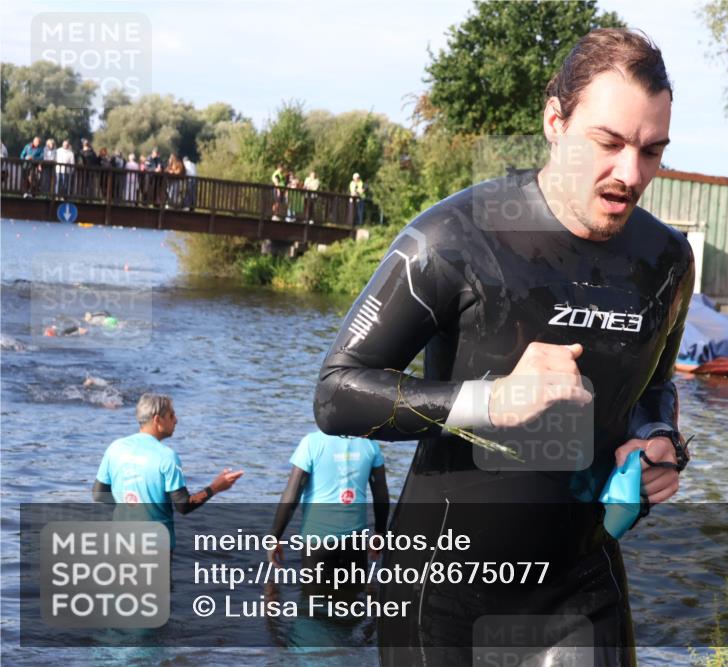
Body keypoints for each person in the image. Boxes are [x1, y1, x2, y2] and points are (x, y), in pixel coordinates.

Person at [313, 28, 693, 665]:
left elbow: (653, 385)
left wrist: (659, 442)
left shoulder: (665, 260)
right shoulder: (452, 239)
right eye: (609, 143)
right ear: (555, 120)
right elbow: (335, 395)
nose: (631, 174)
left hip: (581, 578)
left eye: (652, 151)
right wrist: (488, 401)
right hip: (442, 590)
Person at [92, 393, 244, 549]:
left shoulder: (115, 448)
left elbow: (98, 495)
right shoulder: (167, 457)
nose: (176, 420)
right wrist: (215, 487)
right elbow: (183, 506)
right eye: (171, 415)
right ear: (157, 420)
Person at [267, 431, 389, 594]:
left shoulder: (311, 443)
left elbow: (292, 494)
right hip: (355, 542)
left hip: (317, 542)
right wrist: (380, 533)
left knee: (314, 605)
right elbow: (381, 494)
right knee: (351, 603)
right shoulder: (371, 445)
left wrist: (275, 537)